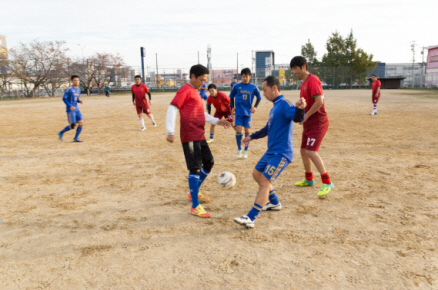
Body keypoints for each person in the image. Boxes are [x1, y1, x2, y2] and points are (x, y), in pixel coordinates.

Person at [234, 76, 306, 228]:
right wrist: (250, 137)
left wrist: (300, 108)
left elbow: (297, 118)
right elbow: (267, 129)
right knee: (256, 174)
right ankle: (274, 203)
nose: (264, 94)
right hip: (271, 152)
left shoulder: (286, 103)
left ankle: (251, 218)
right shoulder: (275, 107)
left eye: (265, 90)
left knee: (264, 182)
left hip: (281, 153)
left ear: (274, 88)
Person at [166, 64, 231, 218]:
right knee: (195, 168)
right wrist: (170, 131)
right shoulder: (184, 90)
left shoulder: (195, 92)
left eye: (205, 80)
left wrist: (217, 121)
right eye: (201, 80)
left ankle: (193, 192)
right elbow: (172, 108)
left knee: (209, 163)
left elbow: (200, 113)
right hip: (190, 135)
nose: (203, 83)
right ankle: (195, 206)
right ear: (193, 76)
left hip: (199, 134)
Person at [290, 56, 334, 197]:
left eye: (296, 68)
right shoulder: (303, 83)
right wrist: (301, 106)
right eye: (293, 69)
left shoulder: (313, 80)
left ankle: (327, 182)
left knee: (311, 152)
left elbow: (319, 101)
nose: (294, 72)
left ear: (303, 66)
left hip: (318, 122)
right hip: (308, 123)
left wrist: (306, 115)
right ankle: (309, 179)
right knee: (303, 150)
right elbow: (307, 102)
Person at [229, 68, 262, 158]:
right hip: (239, 112)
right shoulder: (236, 86)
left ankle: (246, 150)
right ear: (241, 77)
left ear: (250, 77)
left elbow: (259, 97)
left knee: (247, 131)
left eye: (246, 76)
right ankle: (239, 149)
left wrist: (255, 107)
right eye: (243, 76)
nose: (245, 78)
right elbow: (231, 97)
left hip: (248, 113)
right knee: (238, 130)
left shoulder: (253, 87)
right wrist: (232, 107)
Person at [58, 75, 84, 142]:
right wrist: (70, 106)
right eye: (75, 80)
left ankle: (76, 138)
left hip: (76, 109)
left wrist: (79, 101)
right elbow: (64, 98)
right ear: (72, 81)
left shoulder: (79, 90)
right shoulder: (69, 89)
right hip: (70, 109)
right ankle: (61, 132)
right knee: (73, 126)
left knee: (81, 122)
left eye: (77, 80)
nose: (76, 81)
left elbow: (76, 98)